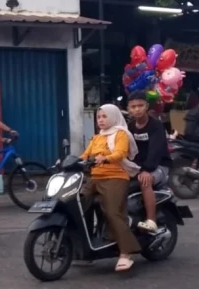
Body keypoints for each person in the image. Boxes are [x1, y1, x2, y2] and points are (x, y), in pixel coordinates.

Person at [79, 104, 142, 272]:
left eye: (104, 116)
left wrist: (105, 158)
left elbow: (120, 153)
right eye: (99, 117)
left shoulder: (121, 134)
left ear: (113, 117)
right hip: (95, 177)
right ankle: (82, 244)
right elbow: (85, 155)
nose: (100, 120)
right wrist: (69, 162)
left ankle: (125, 252)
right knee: (76, 203)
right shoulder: (97, 137)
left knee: (113, 212)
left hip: (115, 177)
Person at [126, 92, 173, 233]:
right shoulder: (130, 127)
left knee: (144, 181)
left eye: (140, 105)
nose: (137, 109)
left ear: (146, 106)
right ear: (128, 108)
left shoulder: (156, 126)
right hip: (137, 167)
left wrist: (146, 170)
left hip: (159, 166)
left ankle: (151, 220)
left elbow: (156, 151)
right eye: (133, 106)